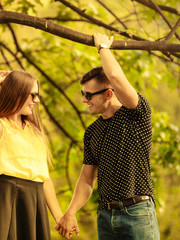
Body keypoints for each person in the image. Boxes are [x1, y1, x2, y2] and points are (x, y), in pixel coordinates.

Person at [56, 33, 160, 239]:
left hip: (137, 212)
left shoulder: (136, 113)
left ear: (109, 93)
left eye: (89, 95)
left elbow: (116, 78)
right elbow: (86, 179)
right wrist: (70, 211)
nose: (84, 100)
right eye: (82, 94)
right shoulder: (92, 132)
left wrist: (103, 47)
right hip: (105, 217)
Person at [0, 70, 63, 240]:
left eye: (37, 95)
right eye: (32, 95)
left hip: (35, 203)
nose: (37, 100)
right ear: (16, 92)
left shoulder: (35, 132)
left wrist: (60, 218)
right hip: (6, 201)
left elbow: (45, 179)